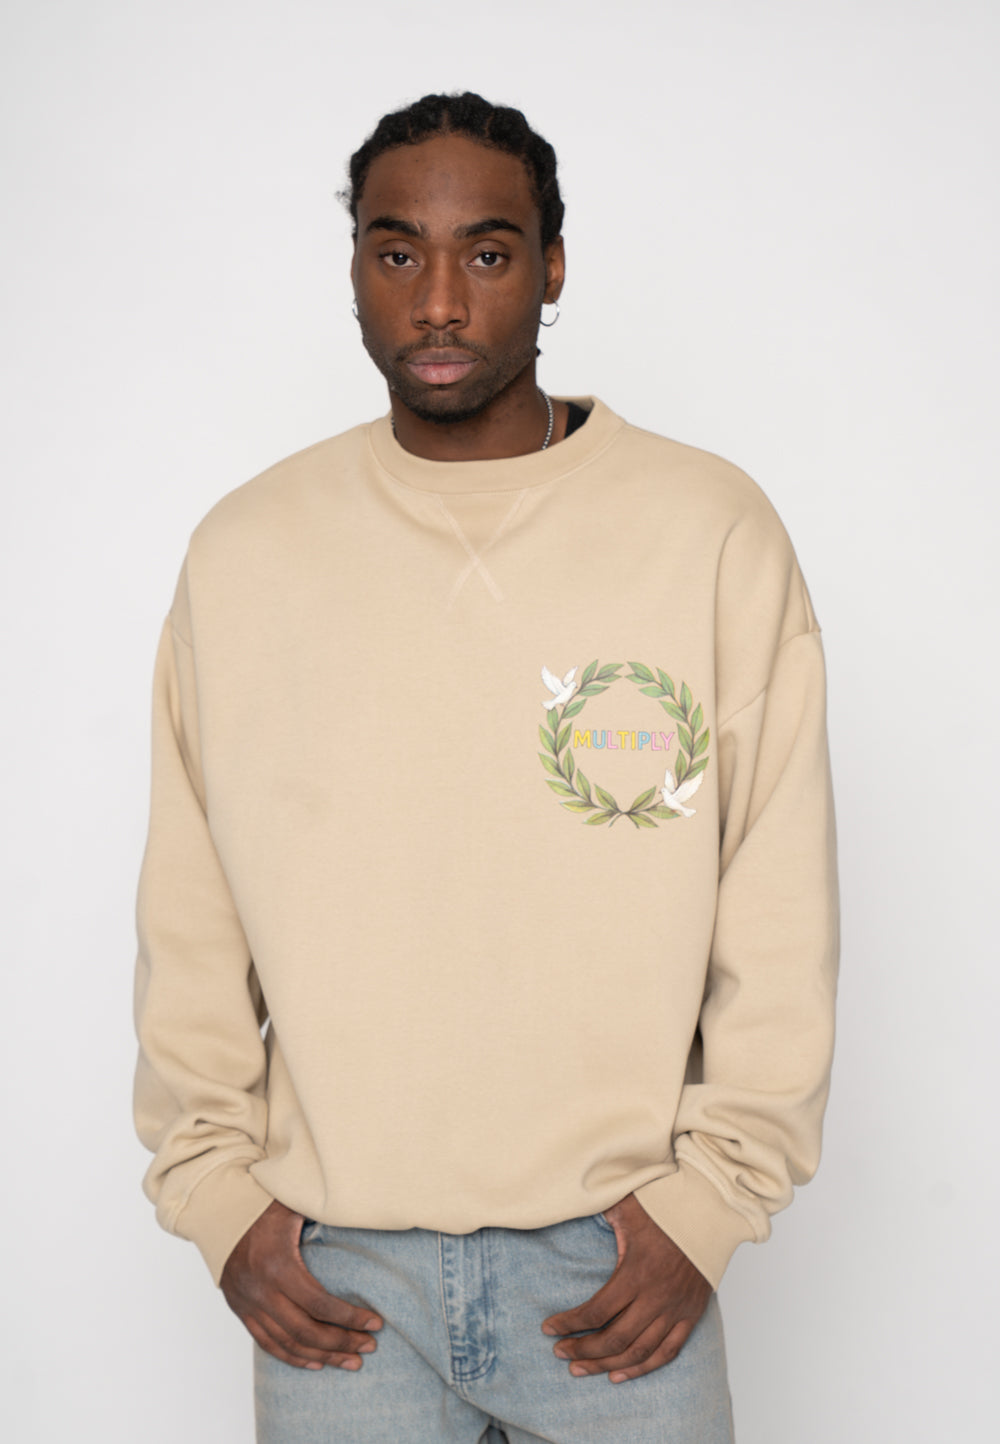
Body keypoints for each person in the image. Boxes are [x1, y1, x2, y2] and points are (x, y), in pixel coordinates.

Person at [134, 92, 838, 1443]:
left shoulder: (707, 531)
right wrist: (220, 1201)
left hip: (619, 1273)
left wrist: (711, 1203)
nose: (441, 301)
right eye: (398, 252)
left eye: (490, 253)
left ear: (553, 268)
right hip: (336, 1278)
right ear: (355, 267)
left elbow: (779, 897)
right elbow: (189, 906)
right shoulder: (247, 553)